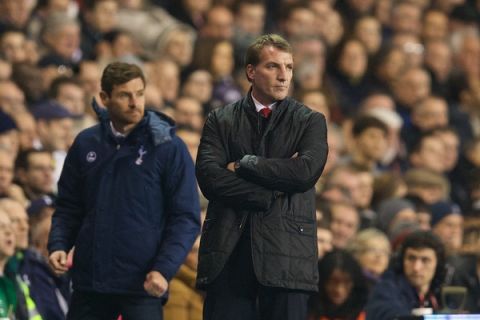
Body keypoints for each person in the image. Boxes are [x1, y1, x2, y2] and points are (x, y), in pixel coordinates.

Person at [47, 62, 201, 319]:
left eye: (139, 94)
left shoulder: (168, 147)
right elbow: (69, 206)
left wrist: (164, 269)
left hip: (143, 286)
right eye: (124, 95)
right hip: (90, 284)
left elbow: (185, 217)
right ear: (104, 98)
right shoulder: (86, 143)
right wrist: (59, 244)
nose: (134, 103)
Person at [195, 34, 328, 320]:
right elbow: (209, 178)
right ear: (251, 72)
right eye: (273, 67)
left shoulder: (310, 121)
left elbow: (304, 173)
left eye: (289, 67)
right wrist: (268, 193)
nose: (284, 76)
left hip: (287, 258)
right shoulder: (220, 119)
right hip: (228, 254)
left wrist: (244, 165)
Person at [366, 231, 446, 319]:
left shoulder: (441, 292)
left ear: (438, 264)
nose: (416, 268)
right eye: (411, 258)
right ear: (401, 260)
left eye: (425, 260)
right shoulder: (386, 289)